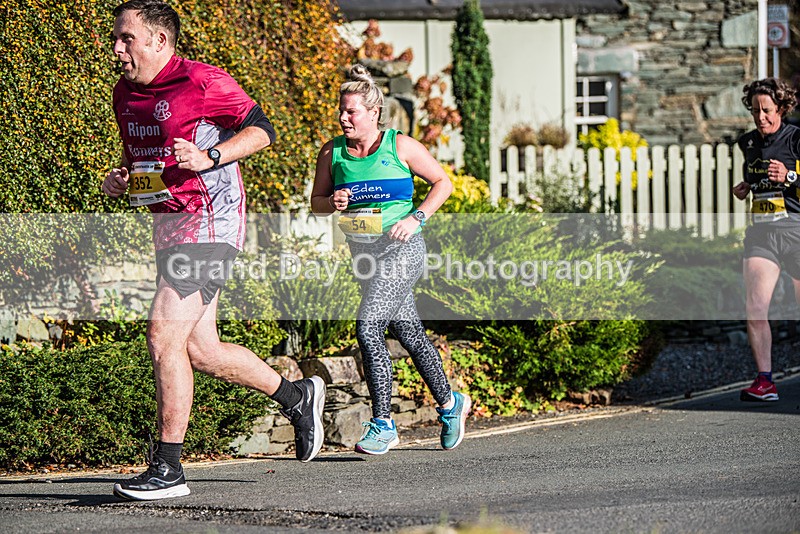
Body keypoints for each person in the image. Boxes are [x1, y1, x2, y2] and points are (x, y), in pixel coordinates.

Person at [103, 0, 325, 501]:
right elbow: (140, 157)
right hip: (170, 225)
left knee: (163, 334)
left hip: (211, 223)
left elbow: (263, 130)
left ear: (159, 41)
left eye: (126, 39)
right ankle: (298, 397)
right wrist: (120, 179)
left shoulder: (202, 82)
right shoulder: (125, 93)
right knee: (201, 350)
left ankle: (168, 468)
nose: (117, 49)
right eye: (116, 39)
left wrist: (211, 156)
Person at [310, 64, 471, 455]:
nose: (343, 117)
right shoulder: (332, 153)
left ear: (373, 113)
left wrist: (416, 218)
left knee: (368, 326)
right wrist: (332, 202)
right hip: (364, 256)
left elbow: (442, 183)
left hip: (402, 250)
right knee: (410, 333)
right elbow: (316, 205)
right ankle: (450, 404)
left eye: (352, 111)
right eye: (341, 111)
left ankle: (384, 422)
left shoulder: (400, 146)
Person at [732, 77, 800, 402]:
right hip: (761, 233)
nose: (761, 116)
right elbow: (753, 177)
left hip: (795, 230)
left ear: (782, 108)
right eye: (756, 110)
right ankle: (765, 381)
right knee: (756, 308)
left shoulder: (796, 138)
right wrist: (745, 188)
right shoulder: (747, 143)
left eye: (767, 110)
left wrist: (788, 176)